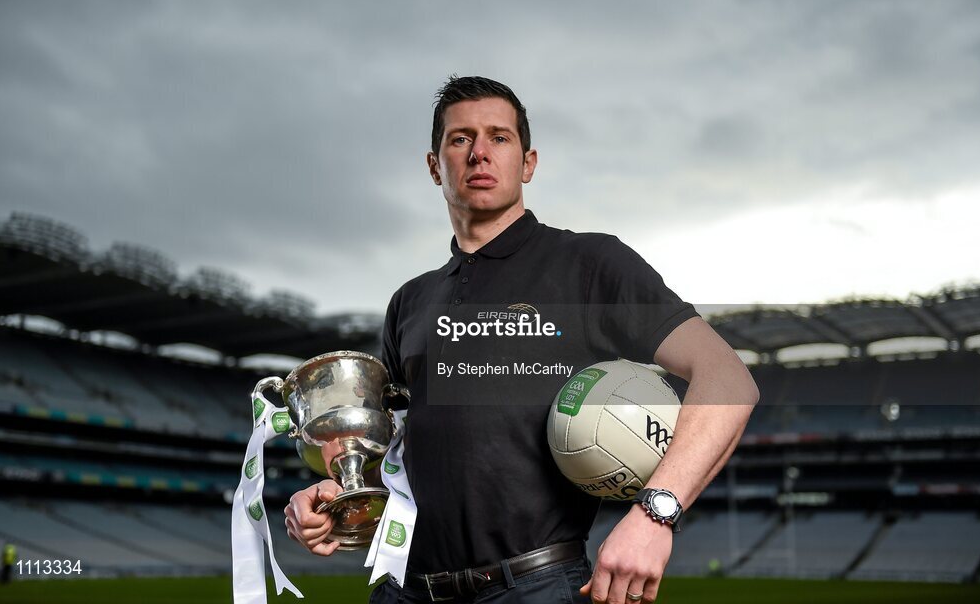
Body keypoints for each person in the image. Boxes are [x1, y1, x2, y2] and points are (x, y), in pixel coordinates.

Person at [286, 76, 758, 604]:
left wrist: (655, 514)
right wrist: (338, 489)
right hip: (405, 589)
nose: (479, 153)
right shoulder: (410, 302)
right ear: (434, 165)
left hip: (534, 586)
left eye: (499, 138)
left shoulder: (588, 264)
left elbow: (728, 378)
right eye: (460, 139)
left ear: (528, 162)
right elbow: (396, 451)